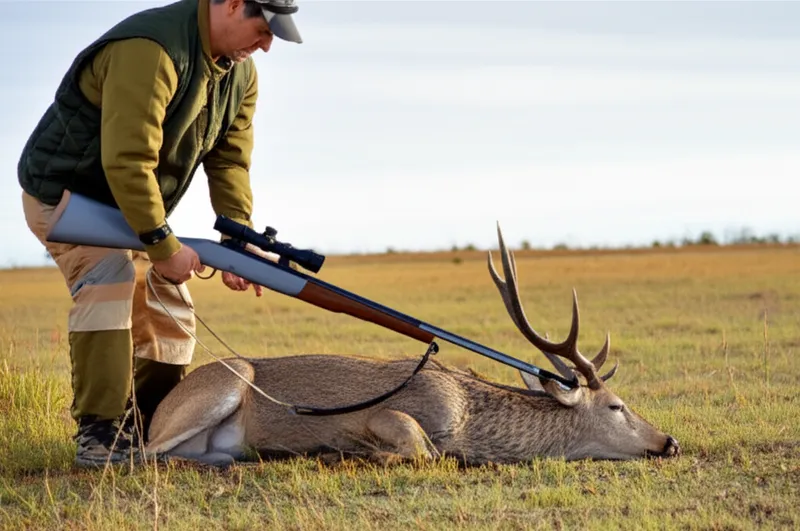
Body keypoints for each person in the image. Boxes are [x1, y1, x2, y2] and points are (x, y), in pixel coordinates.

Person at [17, 0, 302, 467]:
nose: (268, 44)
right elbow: (128, 161)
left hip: (130, 207)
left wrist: (239, 240)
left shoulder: (240, 75)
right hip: (65, 198)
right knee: (107, 278)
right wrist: (163, 245)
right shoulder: (150, 49)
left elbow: (229, 162)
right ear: (230, 4)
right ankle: (102, 439)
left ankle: (156, 430)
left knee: (171, 301)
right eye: (264, 27)